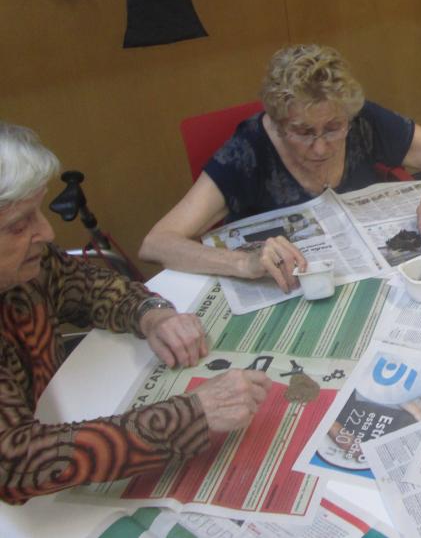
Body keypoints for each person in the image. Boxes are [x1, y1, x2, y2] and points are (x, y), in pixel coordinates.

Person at [0, 122, 271, 504]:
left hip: (56, 415)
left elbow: (83, 284)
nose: (46, 232)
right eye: (18, 225)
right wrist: (190, 416)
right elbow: (16, 461)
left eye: (38, 212)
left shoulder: (28, 265)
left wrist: (152, 314)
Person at [141, 44, 421, 291]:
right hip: (288, 291)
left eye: (333, 128)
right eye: (302, 132)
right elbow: (157, 243)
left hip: (373, 280)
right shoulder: (249, 150)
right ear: (277, 123)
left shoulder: (362, 120)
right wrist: (244, 262)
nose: (320, 147)